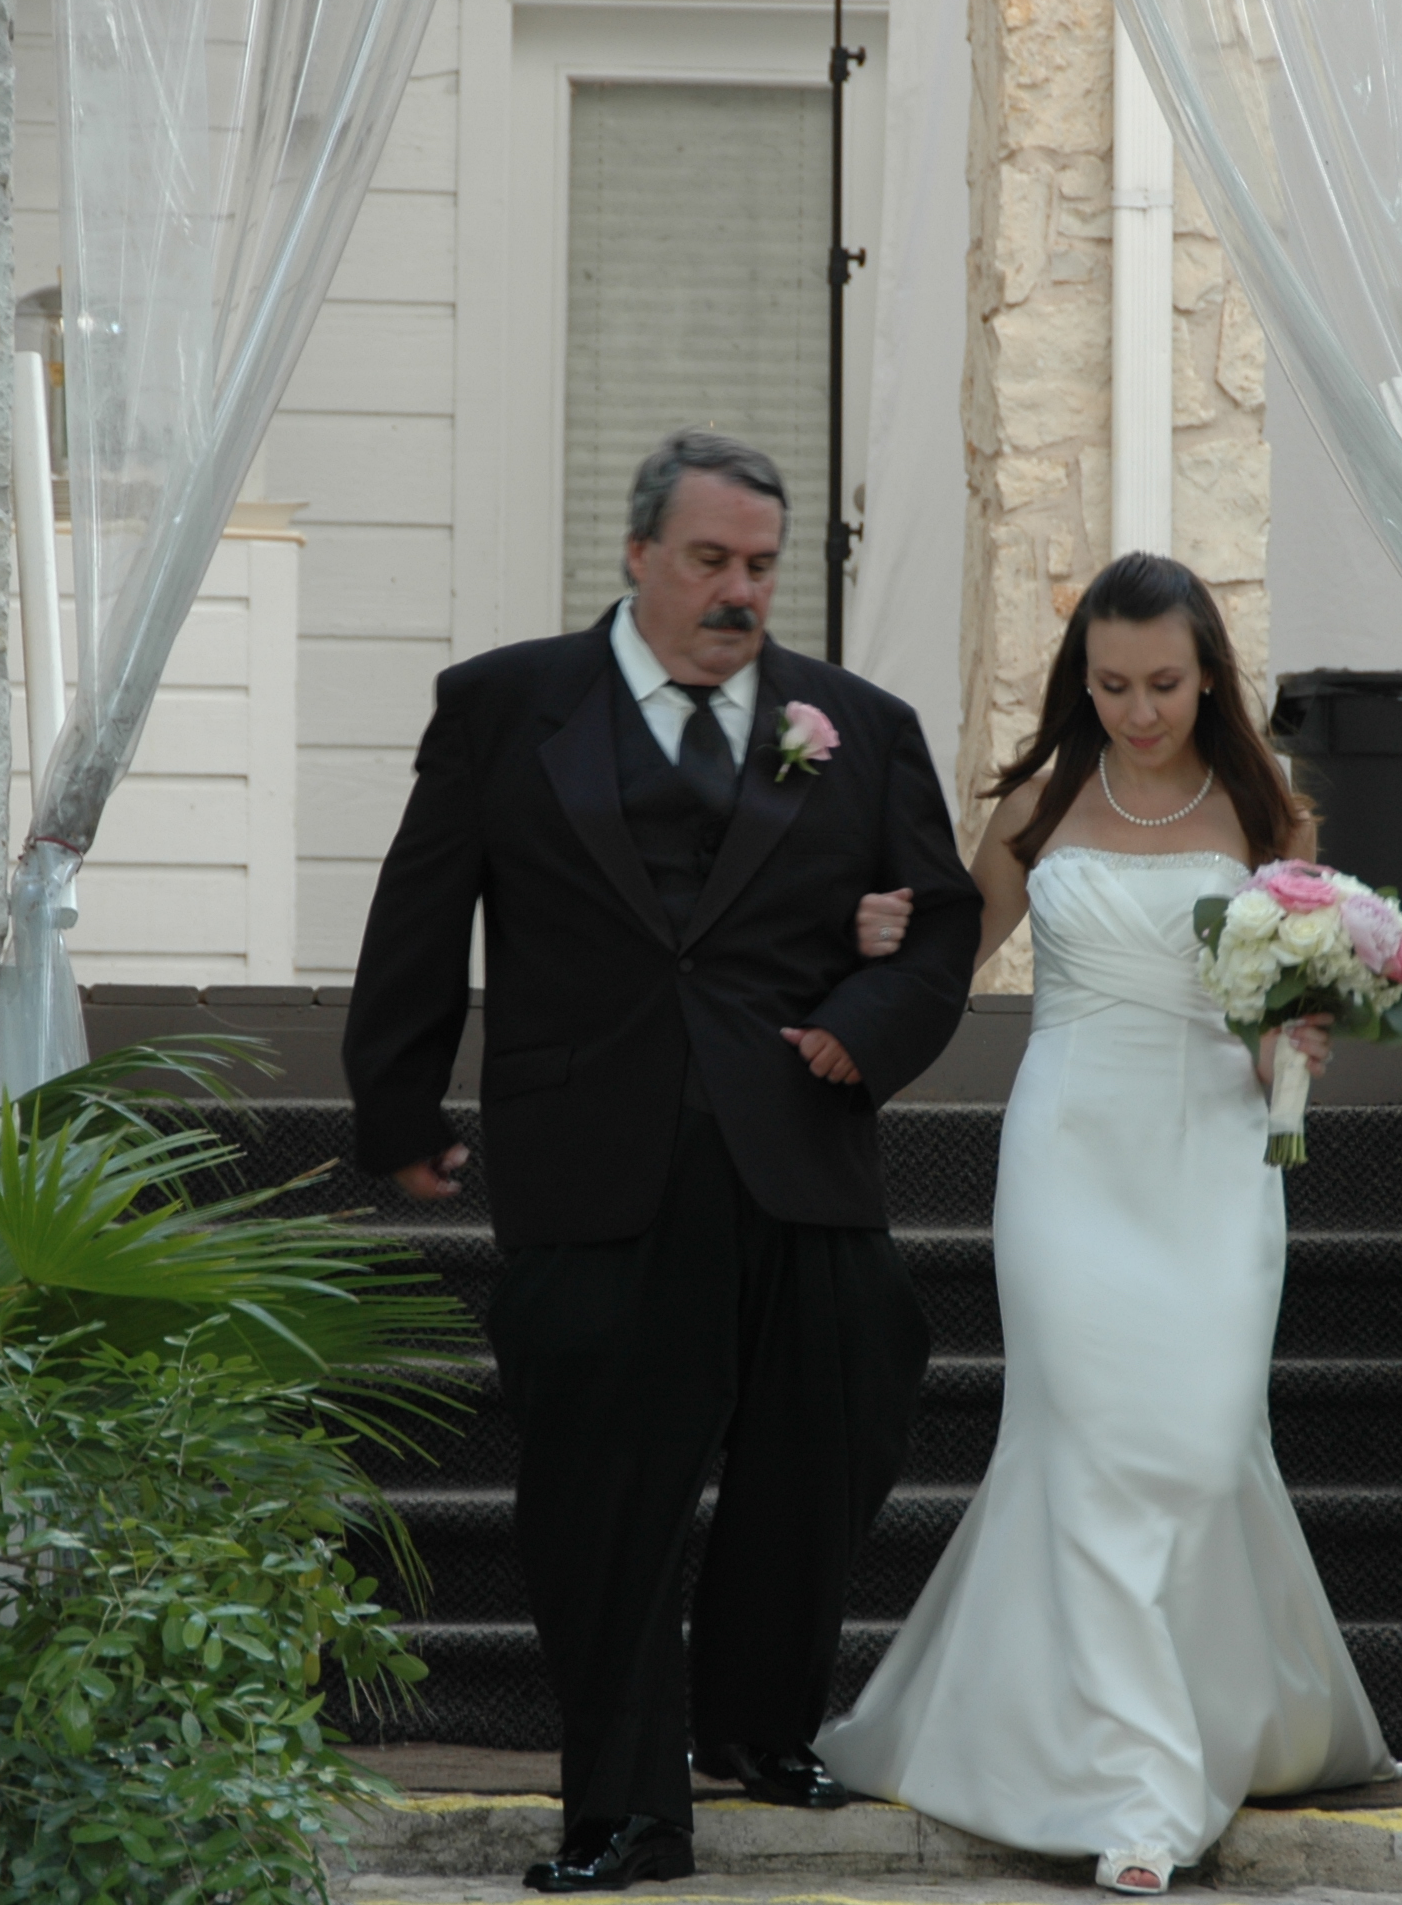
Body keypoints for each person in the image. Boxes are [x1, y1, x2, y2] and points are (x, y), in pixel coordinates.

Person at [342, 430, 980, 1893]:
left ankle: (754, 1721)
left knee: (837, 1431)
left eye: (760, 565)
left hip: (797, 1146)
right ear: (638, 555)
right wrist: (399, 1103)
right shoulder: (506, 706)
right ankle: (626, 1811)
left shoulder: (858, 725)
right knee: (606, 1489)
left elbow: (938, 920)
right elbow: (423, 906)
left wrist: (865, 1028)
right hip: (595, 1157)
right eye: (707, 560)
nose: (737, 590)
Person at [817, 552, 1402, 1895]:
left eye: (1164, 685)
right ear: (1082, 681)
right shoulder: (1037, 805)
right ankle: (1143, 1793)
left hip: (1214, 1162)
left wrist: (1298, 1045)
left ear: (1209, 680)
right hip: (1069, 1156)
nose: (1138, 711)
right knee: (1082, 1451)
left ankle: (1199, 1721)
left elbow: (1276, 1029)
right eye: (1112, 684)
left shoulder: (1270, 815)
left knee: (1197, 1452)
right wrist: (861, 950)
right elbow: (942, 965)